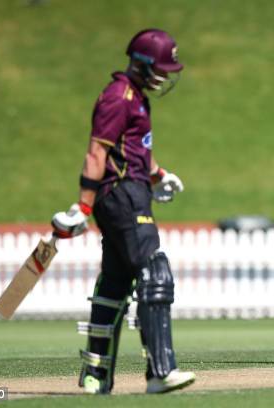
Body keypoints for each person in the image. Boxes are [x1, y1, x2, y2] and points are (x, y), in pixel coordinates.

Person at [51, 29, 195, 394]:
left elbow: (133, 150)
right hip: (121, 195)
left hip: (131, 190)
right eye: (160, 68)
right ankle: (161, 372)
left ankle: (96, 376)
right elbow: (96, 153)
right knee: (155, 271)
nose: (165, 75)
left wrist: (159, 174)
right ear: (142, 64)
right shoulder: (119, 97)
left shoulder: (137, 97)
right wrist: (83, 207)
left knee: (115, 283)